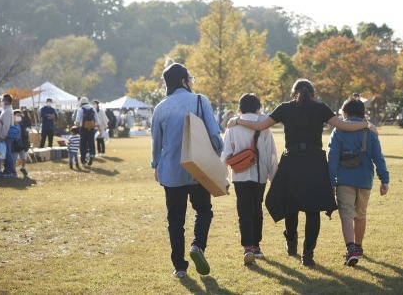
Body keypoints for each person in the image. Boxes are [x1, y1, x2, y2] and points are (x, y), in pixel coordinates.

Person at [227, 79, 375, 267]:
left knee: (292, 205)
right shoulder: (321, 108)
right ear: (312, 94)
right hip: (314, 162)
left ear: (293, 93)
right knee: (313, 210)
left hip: (292, 161)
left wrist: (237, 120)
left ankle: (291, 243)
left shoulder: (285, 108)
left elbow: (259, 126)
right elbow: (344, 125)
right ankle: (308, 253)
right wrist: (365, 124)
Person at [151, 63, 223, 278]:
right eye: (190, 78)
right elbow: (213, 135)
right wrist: (217, 153)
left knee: (175, 219)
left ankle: (179, 267)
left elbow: (157, 142)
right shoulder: (201, 100)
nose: (192, 81)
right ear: (183, 80)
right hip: (199, 167)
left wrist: (156, 165)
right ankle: (197, 246)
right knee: (203, 210)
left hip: (171, 171)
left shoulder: (161, 108)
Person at [328, 97, 389, 267]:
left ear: (344, 113)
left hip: (344, 180)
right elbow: (379, 158)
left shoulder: (338, 131)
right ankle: (359, 247)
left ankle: (351, 249)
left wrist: (331, 181)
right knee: (360, 214)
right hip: (364, 180)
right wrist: (384, 180)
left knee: (346, 214)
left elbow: (332, 158)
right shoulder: (369, 132)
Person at [220, 94, 278, 266]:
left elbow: (225, 154)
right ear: (259, 108)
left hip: (240, 176)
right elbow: (271, 155)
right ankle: (256, 245)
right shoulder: (264, 127)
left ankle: (247, 247)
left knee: (244, 211)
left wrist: (224, 180)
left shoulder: (232, 127)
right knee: (257, 210)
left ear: (239, 109)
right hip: (260, 176)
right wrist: (273, 178)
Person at [74, 97, 99, 166]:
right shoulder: (93, 109)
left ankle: (83, 161)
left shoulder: (80, 110)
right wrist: (99, 128)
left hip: (83, 129)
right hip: (91, 129)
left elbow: (77, 122)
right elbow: (97, 120)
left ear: (81, 103)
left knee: (83, 145)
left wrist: (76, 126)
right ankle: (91, 155)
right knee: (91, 143)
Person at [0, 94, 16, 177]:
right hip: (6, 135)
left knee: (8, 153)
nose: (2, 102)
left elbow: (6, 126)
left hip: (6, 136)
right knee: (6, 153)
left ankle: (12, 171)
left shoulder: (7, 111)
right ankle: (6, 170)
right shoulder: (6, 110)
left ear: (7, 101)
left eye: (3, 100)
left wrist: (2, 136)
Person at [13, 109, 29, 176]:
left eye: (20, 115)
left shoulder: (22, 124)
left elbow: (25, 133)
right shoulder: (12, 125)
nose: (19, 117)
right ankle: (13, 170)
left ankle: (23, 167)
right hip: (14, 144)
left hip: (21, 143)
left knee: (23, 157)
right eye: (17, 115)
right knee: (14, 158)